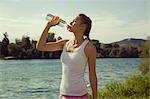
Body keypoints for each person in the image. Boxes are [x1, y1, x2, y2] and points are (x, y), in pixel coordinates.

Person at [37, 13, 98, 99]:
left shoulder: (89, 48)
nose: (70, 22)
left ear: (82, 27)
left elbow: (92, 75)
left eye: (74, 21)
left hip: (80, 96)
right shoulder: (65, 43)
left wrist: (95, 97)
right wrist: (48, 26)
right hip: (63, 95)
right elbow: (40, 46)